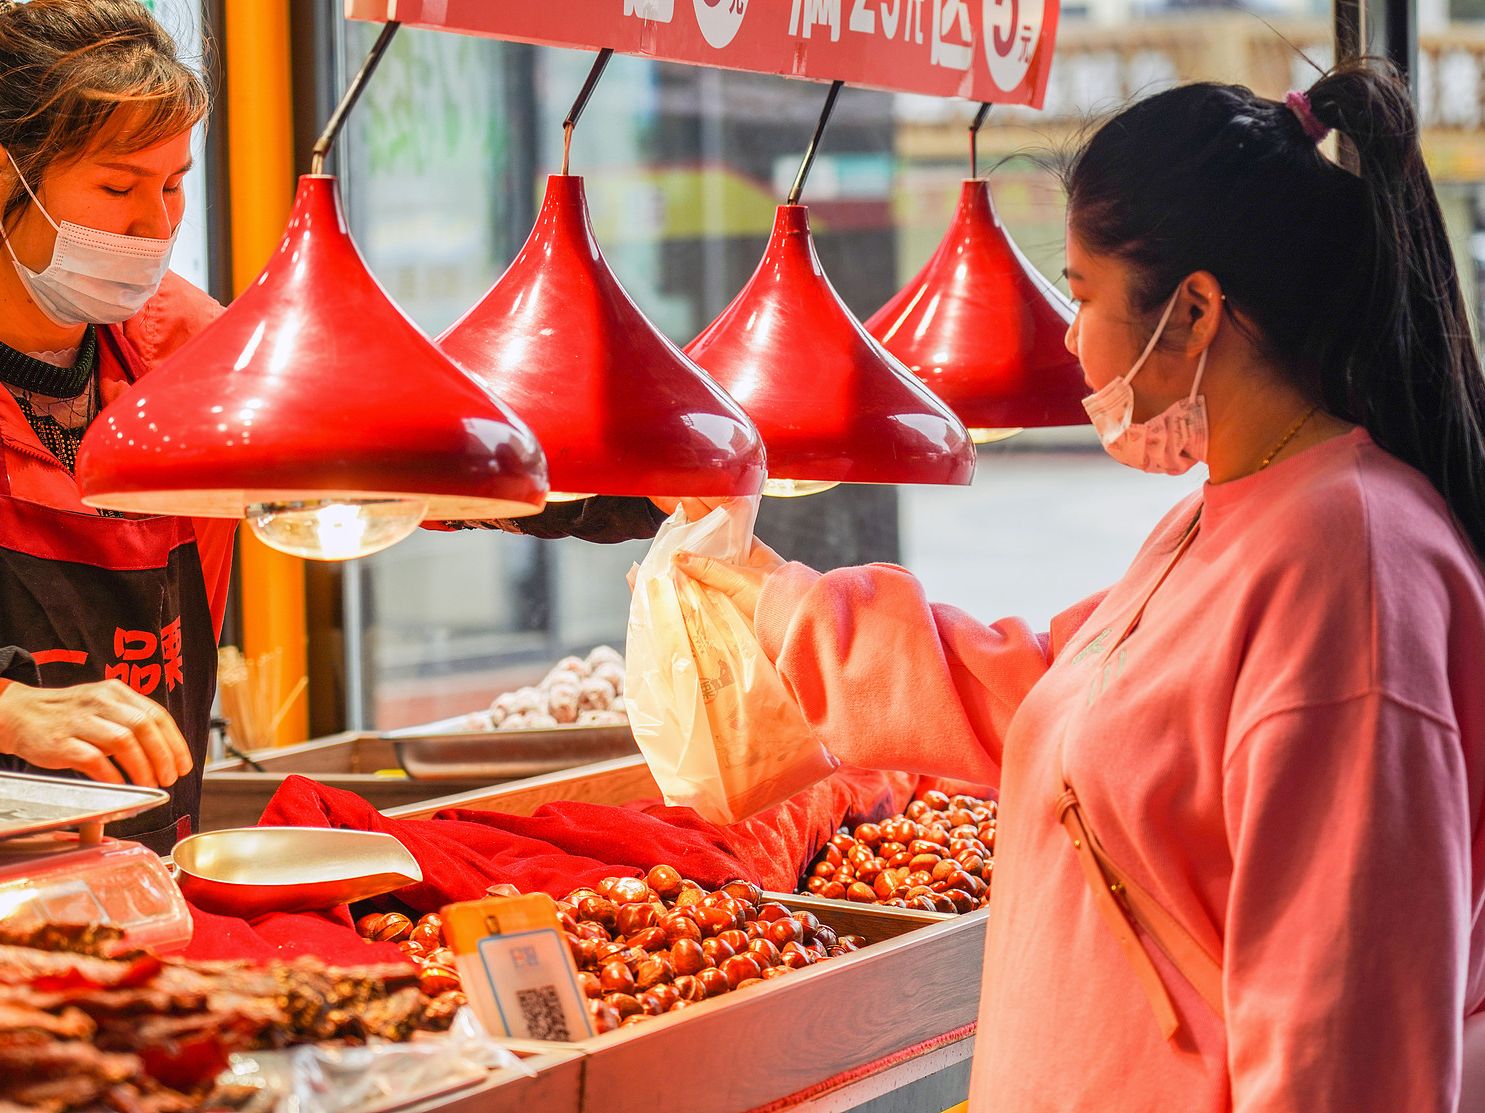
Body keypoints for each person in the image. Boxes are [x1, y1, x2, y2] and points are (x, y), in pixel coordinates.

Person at [680, 61, 1485, 1111]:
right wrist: (772, 609)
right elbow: (1067, 691)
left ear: (1195, 312)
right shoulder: (1236, 511)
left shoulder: (1355, 568)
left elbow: (1343, 1035)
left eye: (1084, 292)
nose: (1070, 336)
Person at [0, 0, 227, 853]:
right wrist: (12, 709)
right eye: (117, 186)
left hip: (142, 869)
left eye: (174, 183)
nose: (157, 225)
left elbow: (384, 448)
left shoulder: (176, 344)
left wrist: (632, 487)